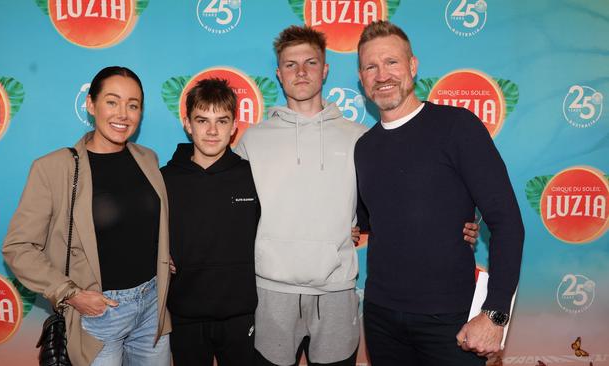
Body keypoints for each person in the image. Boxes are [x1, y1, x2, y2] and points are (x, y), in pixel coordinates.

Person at [235, 25, 480, 366]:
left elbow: (390, 204)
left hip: (337, 291)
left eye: (311, 62)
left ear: (326, 70)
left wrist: (463, 218)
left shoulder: (362, 139)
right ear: (278, 73)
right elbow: (228, 212)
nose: (301, 71)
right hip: (272, 291)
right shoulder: (252, 140)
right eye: (291, 65)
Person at [354, 20, 525, 365]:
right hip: (381, 318)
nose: (382, 74)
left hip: (451, 321)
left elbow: (507, 222)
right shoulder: (364, 147)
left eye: (392, 62)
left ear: (413, 67)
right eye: (371, 66)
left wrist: (495, 315)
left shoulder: (457, 127)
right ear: (361, 78)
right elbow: (373, 219)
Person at [2, 66, 171, 366]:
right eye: (112, 101)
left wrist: (161, 256)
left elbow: (143, 224)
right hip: (99, 314)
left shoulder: (148, 158)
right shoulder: (54, 169)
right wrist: (71, 294)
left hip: (152, 307)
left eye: (133, 105)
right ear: (91, 105)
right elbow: (18, 248)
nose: (123, 114)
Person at [161, 78, 259, 365]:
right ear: (188, 124)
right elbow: (141, 233)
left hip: (242, 315)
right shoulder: (164, 179)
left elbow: (282, 226)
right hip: (183, 315)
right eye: (202, 120)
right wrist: (155, 255)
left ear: (234, 127)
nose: (212, 131)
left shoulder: (254, 177)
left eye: (222, 121)